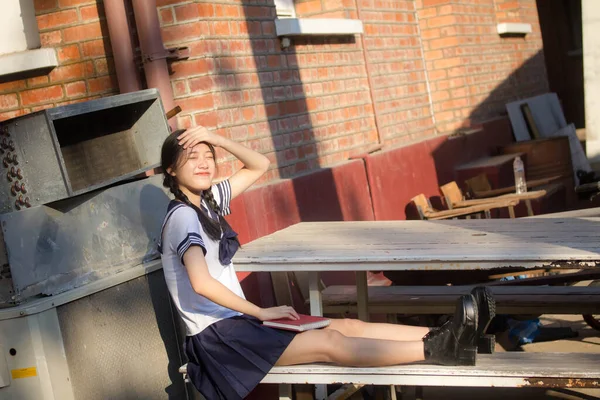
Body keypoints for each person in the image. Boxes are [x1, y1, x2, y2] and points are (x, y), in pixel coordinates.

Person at [158, 126, 495, 400]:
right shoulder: (183, 217)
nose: (203, 163)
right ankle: (438, 349)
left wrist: (215, 137)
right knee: (330, 343)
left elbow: (259, 164)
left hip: (236, 326)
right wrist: (259, 312)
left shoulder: (209, 201)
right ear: (172, 170)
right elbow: (201, 283)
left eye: (208, 156)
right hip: (218, 341)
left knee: (345, 326)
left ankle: (452, 334)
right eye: (192, 157)